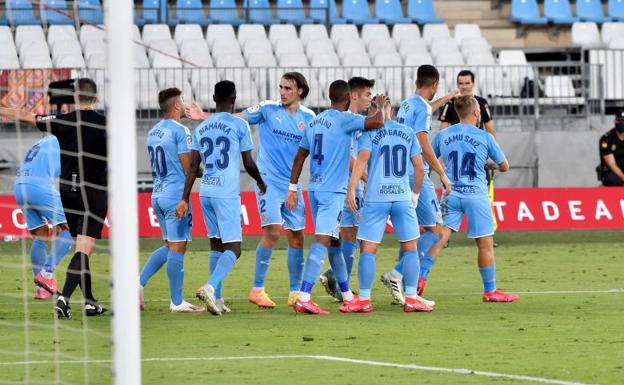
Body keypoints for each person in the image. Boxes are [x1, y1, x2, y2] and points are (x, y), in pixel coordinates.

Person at [186, 72, 314, 309]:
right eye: (281, 87)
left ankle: (295, 292)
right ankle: (257, 289)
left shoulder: (309, 117)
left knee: (297, 236)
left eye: (288, 88)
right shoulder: (267, 109)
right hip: (267, 182)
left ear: (300, 91)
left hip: (292, 185)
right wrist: (205, 115)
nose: (282, 91)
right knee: (274, 231)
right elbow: (235, 117)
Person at [0, 78, 108, 319]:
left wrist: (2, 109)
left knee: (46, 237)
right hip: (91, 192)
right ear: (97, 97)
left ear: (75, 99)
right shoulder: (106, 124)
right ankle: (58, 290)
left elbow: (26, 116)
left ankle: (87, 301)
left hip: (53, 188)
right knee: (80, 244)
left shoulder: (61, 123)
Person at [285, 80, 386, 315]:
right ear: (349, 97)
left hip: (315, 190)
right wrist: (380, 105)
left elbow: (300, 156)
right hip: (333, 192)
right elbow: (378, 122)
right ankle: (304, 295)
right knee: (322, 240)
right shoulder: (344, 119)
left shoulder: (314, 122)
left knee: (335, 243)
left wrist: (292, 187)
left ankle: (348, 295)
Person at [176, 80, 267, 316]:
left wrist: (185, 197)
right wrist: (260, 181)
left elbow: (194, 166)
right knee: (234, 248)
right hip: (226, 193)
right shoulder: (239, 124)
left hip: (205, 191)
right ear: (234, 99)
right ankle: (210, 286)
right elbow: (248, 163)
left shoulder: (202, 127)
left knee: (216, 243)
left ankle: (217, 298)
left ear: (214, 99)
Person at [342, 99, 431, 313]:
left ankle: (364, 300)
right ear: (390, 109)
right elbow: (420, 169)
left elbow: (361, 161)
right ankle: (411, 298)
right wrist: (415, 195)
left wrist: (351, 189)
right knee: (410, 248)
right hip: (401, 197)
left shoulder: (369, 134)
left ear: (374, 111)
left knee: (368, 250)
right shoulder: (407, 131)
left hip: (376, 197)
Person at [430, 95, 518, 303]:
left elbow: (430, 159)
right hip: (476, 195)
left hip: (451, 193)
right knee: (485, 244)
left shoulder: (443, 135)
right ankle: (490, 291)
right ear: (476, 112)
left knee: (441, 237)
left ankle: (420, 279)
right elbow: (505, 166)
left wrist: (442, 171)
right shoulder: (485, 137)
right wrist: (489, 163)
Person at [380, 65, 454, 305]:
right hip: (416, 173)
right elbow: (422, 140)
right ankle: (397, 273)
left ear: (417, 81)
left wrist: (447, 98)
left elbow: (427, 109)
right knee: (435, 230)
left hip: (400, 173)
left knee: (409, 235)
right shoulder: (421, 107)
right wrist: (441, 172)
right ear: (434, 85)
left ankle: (400, 287)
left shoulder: (407, 104)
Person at [138, 88, 205, 313]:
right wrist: (205, 171)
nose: (185, 105)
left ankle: (137, 283)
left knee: (170, 245)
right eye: (183, 101)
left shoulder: (153, 131)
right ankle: (177, 302)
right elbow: (189, 167)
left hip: (157, 194)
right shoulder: (181, 130)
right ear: (176, 106)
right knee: (178, 247)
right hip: (176, 196)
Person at [319, 76, 374, 302]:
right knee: (350, 238)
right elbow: (350, 157)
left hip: (342, 186)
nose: (370, 99)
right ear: (353, 96)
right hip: (346, 188)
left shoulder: (352, 120)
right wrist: (367, 179)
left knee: (348, 238)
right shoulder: (348, 120)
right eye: (367, 95)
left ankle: (338, 281)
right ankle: (342, 288)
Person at [13, 136, 73, 300]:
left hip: (19, 186)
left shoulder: (43, 141)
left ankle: (42, 290)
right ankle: (46, 275)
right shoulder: (69, 139)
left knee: (41, 236)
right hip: (39, 186)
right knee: (70, 229)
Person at [438, 70, 495, 136]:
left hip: (477, 144)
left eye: (467, 83)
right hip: (457, 144)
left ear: (473, 83)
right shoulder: (450, 103)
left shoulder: (482, 102)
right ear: (457, 85)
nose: (464, 87)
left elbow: (490, 129)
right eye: (461, 83)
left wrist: (491, 145)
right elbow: (442, 130)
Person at [598, 110, 624, 186]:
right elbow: (611, 164)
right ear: (615, 121)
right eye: (620, 120)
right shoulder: (606, 139)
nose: (622, 123)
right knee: (612, 179)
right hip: (613, 172)